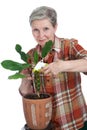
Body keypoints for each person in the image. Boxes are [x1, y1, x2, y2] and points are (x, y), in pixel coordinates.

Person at [19, 6, 87, 130]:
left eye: (46, 29)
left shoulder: (69, 46)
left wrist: (62, 66)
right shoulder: (30, 56)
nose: (41, 35)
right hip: (44, 124)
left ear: (55, 27)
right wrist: (24, 80)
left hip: (73, 123)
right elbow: (28, 94)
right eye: (36, 30)